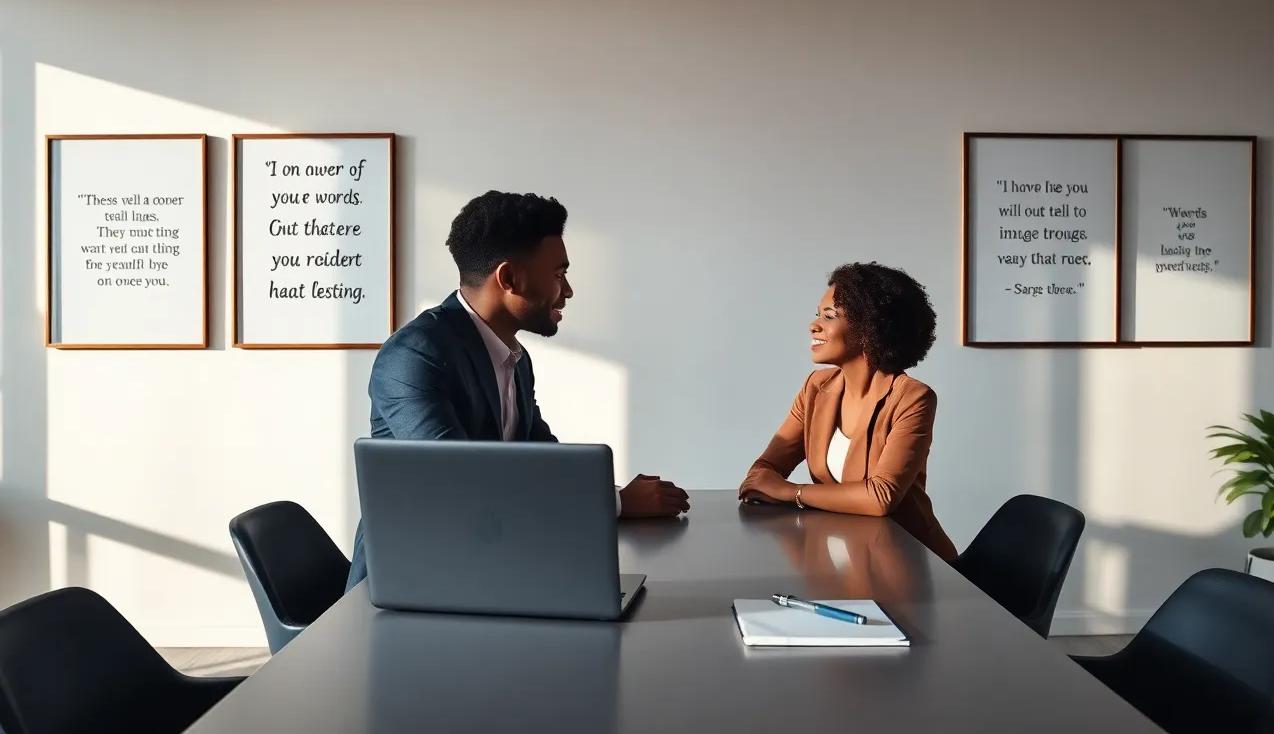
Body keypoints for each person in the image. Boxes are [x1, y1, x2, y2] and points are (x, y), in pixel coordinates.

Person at [345, 191, 690, 592]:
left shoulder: (514, 358)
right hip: (410, 584)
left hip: (493, 566)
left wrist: (613, 496)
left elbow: (541, 464)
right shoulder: (414, 356)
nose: (569, 290)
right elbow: (460, 491)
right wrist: (614, 504)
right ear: (509, 279)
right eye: (559, 274)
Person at [737, 262, 958, 564]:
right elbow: (764, 470)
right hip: (843, 555)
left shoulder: (912, 398)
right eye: (818, 314)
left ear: (870, 328)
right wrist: (769, 483)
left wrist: (791, 492)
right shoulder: (817, 388)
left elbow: (881, 497)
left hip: (907, 561)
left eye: (829, 317)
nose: (814, 325)